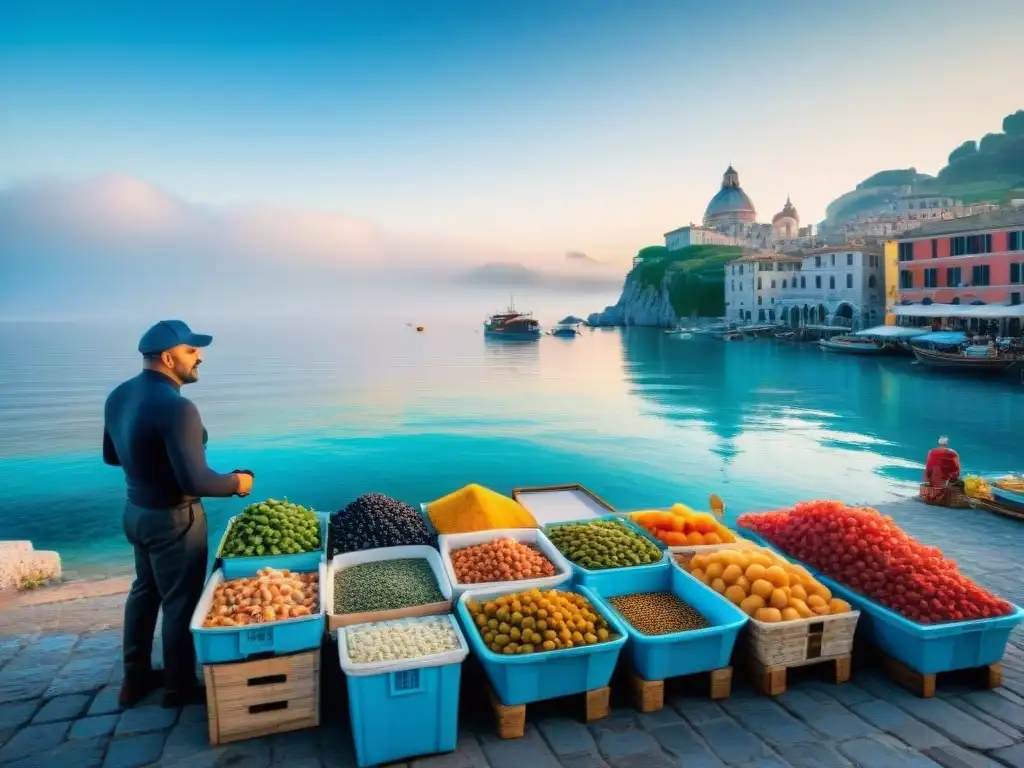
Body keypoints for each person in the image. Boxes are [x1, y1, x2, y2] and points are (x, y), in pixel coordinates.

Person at [103, 320, 254, 708]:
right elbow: (197, 480)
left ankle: (134, 679)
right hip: (174, 519)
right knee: (179, 602)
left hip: (136, 512)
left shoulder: (118, 396)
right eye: (191, 351)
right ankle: (178, 688)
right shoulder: (178, 407)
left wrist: (148, 465)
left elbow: (111, 456)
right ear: (168, 358)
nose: (199, 356)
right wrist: (238, 482)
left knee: (144, 592)